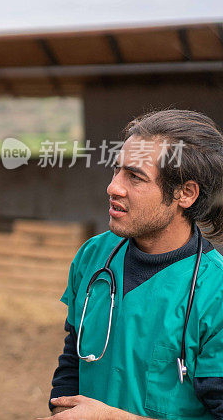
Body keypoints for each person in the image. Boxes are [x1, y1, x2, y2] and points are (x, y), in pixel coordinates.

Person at [41, 109, 223, 420]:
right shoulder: (92, 256)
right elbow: (73, 357)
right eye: (116, 171)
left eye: (135, 176)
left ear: (185, 193)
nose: (113, 187)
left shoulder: (215, 293)